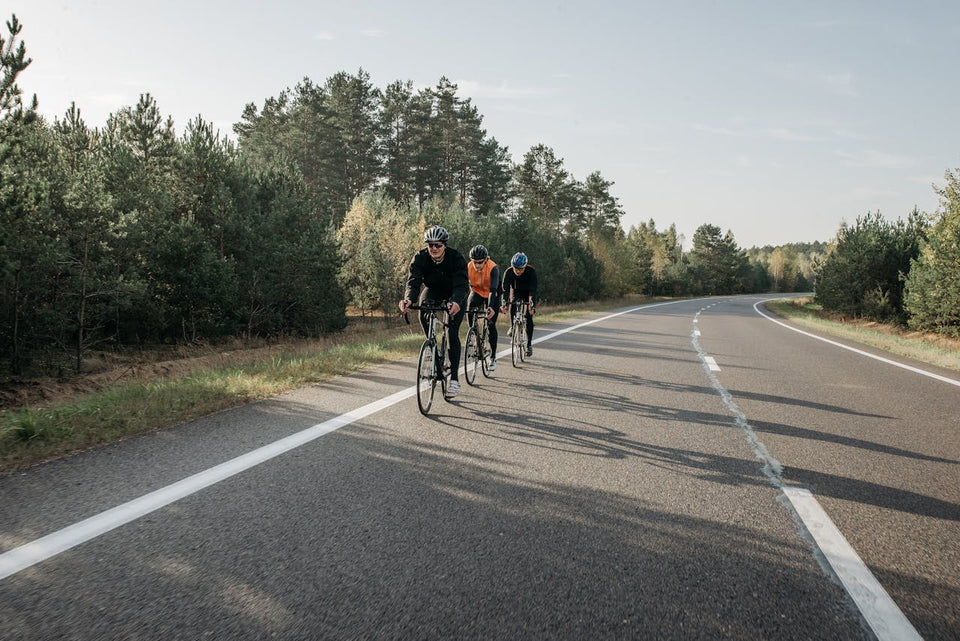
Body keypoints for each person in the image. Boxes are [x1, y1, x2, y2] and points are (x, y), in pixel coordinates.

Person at [399, 225, 470, 398]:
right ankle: (430, 345)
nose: (434, 249)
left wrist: (456, 302)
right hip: (433, 290)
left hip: (455, 292)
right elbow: (413, 282)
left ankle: (453, 380)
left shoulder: (456, 258)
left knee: (451, 332)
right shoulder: (420, 257)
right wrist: (408, 299)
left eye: (437, 245)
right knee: (422, 308)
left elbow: (462, 284)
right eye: (430, 245)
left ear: (444, 245)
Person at [466, 244, 501, 371]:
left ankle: (493, 357)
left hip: (492, 293)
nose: (477, 265)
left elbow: (493, 290)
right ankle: (473, 334)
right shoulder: (469, 267)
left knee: (491, 324)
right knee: (469, 308)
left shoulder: (493, 268)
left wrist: (491, 307)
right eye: (475, 262)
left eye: (480, 262)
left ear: (486, 260)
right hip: (477, 291)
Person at [501, 252, 538, 356]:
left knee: (529, 316)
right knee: (513, 303)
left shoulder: (531, 272)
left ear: (525, 266)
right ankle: (512, 326)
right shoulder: (508, 272)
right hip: (516, 291)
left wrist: (531, 305)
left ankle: (529, 345)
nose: (517, 271)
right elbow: (505, 289)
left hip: (528, 293)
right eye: (515, 268)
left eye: (520, 269)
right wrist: (504, 304)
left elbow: (533, 290)